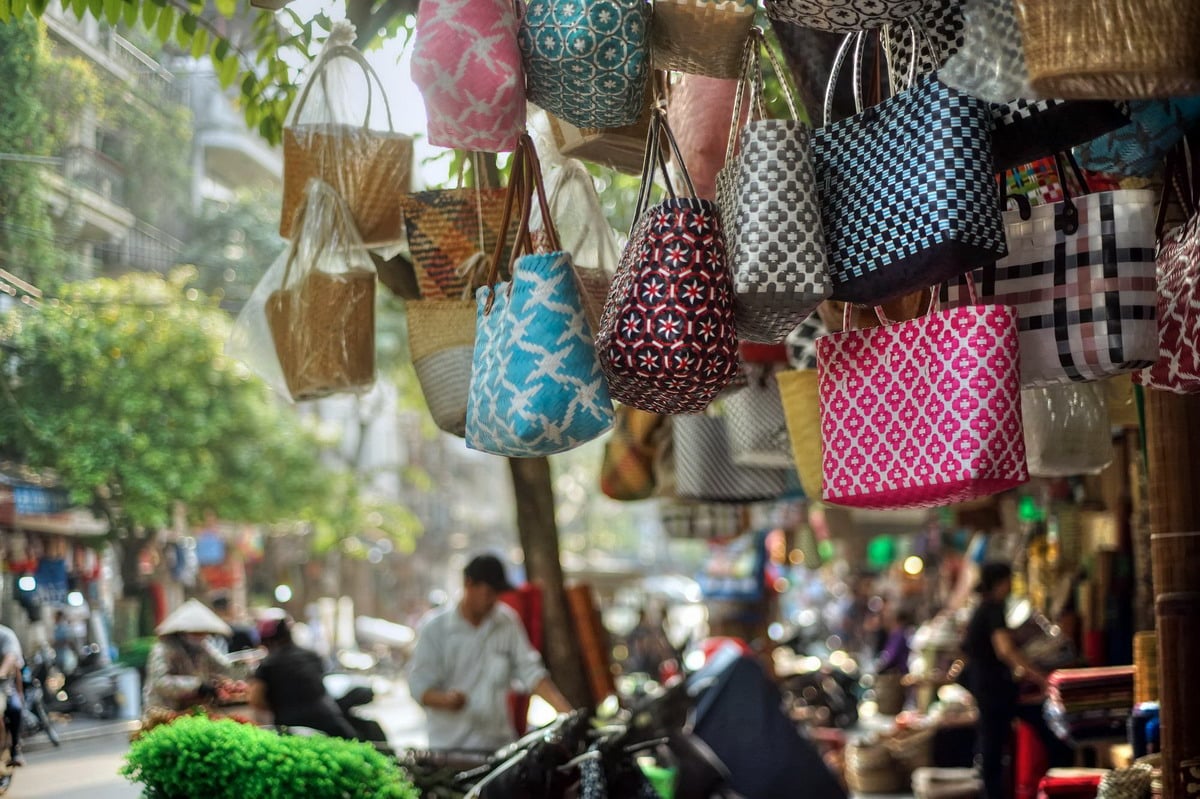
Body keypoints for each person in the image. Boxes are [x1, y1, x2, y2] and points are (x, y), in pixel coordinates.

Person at [408, 554, 573, 750]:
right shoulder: (435, 628)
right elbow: (419, 686)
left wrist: (568, 715)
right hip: (450, 749)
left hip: (497, 746)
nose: (493, 600)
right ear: (469, 584)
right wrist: (445, 700)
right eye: (488, 592)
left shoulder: (507, 622)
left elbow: (532, 673)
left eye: (497, 593)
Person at [963, 563, 1072, 799]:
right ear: (1001, 582)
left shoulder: (981, 608)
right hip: (996, 691)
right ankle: (1062, 782)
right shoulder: (993, 608)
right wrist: (1039, 677)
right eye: (1008, 581)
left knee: (993, 744)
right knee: (1002, 744)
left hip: (990, 688)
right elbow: (1005, 650)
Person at [248, 615, 357, 739]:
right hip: (326, 717)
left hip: (291, 724)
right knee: (353, 745)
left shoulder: (268, 664)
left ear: (266, 640)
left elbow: (256, 699)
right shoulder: (311, 655)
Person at [143, 599, 236, 714]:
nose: (201, 636)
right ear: (182, 632)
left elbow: (223, 666)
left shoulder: (203, 646)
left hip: (191, 710)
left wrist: (229, 679)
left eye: (203, 632)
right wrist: (197, 685)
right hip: (164, 710)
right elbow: (161, 682)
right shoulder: (162, 649)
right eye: (196, 633)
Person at [0, 624, 25, 767]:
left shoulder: (6, 635)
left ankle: (15, 749)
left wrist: (2, 672)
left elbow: (10, 657)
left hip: (4, 687)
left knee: (15, 709)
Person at [52, 611, 78, 676]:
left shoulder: (63, 627)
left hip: (64, 652)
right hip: (59, 653)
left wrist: (57, 643)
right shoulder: (57, 627)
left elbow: (67, 640)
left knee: (67, 670)